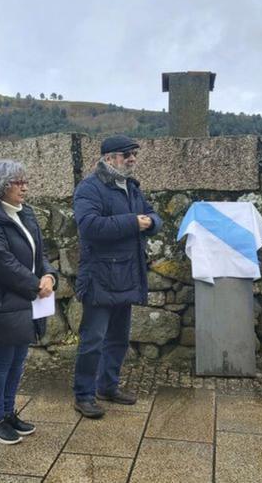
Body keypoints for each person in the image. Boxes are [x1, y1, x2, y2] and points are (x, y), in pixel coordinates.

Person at [0, 159, 57, 445]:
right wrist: (34, 286)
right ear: (1, 186)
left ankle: (8, 413)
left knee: (18, 359)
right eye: (18, 182)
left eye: (25, 182)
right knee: (3, 360)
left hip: (22, 300)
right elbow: (0, 262)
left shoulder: (22, 213)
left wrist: (49, 275)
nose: (25, 187)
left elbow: (37, 252)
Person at [71, 135, 162, 419]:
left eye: (134, 154)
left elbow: (153, 217)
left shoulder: (131, 188)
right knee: (93, 340)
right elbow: (89, 226)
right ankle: (84, 394)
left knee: (118, 339)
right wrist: (134, 222)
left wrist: (150, 222)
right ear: (109, 158)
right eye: (126, 155)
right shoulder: (89, 188)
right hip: (99, 276)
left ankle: (107, 386)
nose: (132, 159)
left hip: (126, 274)